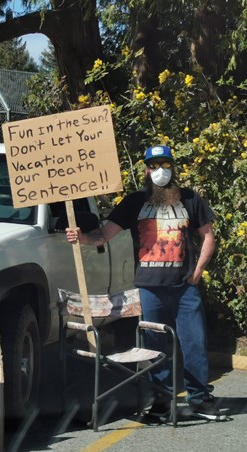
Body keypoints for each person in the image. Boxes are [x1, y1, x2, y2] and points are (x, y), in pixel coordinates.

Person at [65, 144, 225, 421]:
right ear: (145, 170)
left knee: (194, 342)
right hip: (149, 288)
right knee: (155, 346)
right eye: (153, 165)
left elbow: (208, 236)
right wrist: (83, 238)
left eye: (165, 164)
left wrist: (197, 272)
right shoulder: (134, 202)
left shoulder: (189, 199)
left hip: (185, 287)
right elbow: (105, 234)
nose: (159, 170)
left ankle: (200, 398)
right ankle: (162, 400)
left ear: (173, 168)